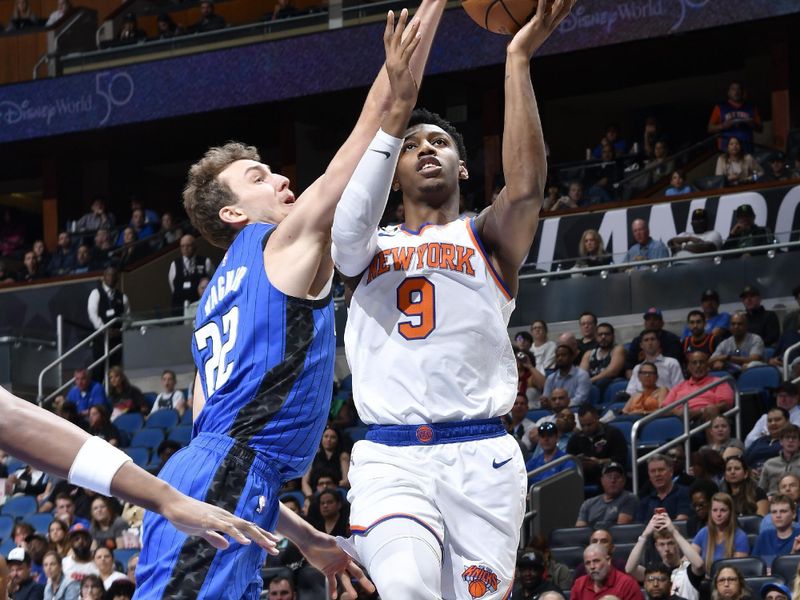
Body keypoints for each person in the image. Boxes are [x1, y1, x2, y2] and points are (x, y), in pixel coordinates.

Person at [134, 5, 445, 599]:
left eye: (273, 171)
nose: (278, 181)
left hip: (205, 479)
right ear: (230, 213)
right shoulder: (282, 244)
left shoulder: (209, 305)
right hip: (224, 481)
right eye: (257, 177)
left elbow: (225, 446)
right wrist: (431, 12)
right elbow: (378, 118)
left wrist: (305, 537)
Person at [329, 3, 573, 598]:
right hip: (391, 459)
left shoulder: (486, 238)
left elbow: (526, 189)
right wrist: (394, 116)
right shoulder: (365, 246)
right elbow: (342, 235)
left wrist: (517, 58)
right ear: (392, 169)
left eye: (440, 142)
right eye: (413, 145)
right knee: (407, 589)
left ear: (464, 168)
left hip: (481, 456)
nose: (427, 149)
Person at [626, 513, 704, 600]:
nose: (666, 549)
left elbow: (699, 564)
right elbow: (630, 569)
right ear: (656, 546)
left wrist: (674, 532)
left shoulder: (688, 570)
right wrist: (644, 535)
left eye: (670, 543)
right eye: (662, 544)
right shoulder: (654, 572)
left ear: (678, 544)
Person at [663, 352, 733, 422]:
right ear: (688, 367)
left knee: (711, 409)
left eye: (701, 362)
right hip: (680, 420)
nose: (698, 366)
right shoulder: (679, 386)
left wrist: (700, 411)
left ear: (707, 366)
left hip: (704, 419)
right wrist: (677, 412)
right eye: (694, 363)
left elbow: (726, 404)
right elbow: (664, 409)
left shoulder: (718, 382)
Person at [568, 405, 627, 486]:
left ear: (597, 418)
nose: (586, 429)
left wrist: (599, 462)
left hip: (607, 474)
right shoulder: (576, 438)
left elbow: (621, 459)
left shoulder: (613, 433)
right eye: (582, 425)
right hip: (582, 477)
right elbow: (568, 460)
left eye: (589, 425)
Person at [86, 267, 129, 379]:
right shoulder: (96, 293)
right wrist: (105, 330)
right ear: (104, 277)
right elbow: (92, 314)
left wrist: (120, 331)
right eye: (108, 275)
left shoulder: (123, 297)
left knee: (115, 370)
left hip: (117, 340)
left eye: (114, 275)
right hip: (101, 339)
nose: (111, 277)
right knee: (99, 369)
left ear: (117, 278)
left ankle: (113, 394)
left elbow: (127, 317)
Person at [691, 492, 749, 572]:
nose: (718, 514)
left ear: (730, 512)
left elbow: (738, 570)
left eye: (723, 510)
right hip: (705, 580)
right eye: (714, 510)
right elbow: (688, 559)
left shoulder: (740, 536)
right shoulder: (703, 532)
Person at [570, 543, 643, 600]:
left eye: (596, 561)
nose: (592, 567)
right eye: (588, 563)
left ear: (608, 560)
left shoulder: (627, 584)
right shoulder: (579, 584)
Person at [575, 463, 637, 528]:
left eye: (617, 477)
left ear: (624, 481)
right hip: (592, 538)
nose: (613, 480)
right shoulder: (588, 503)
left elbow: (620, 530)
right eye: (609, 476)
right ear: (602, 480)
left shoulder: (629, 499)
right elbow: (580, 531)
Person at [708, 82, 762, 154]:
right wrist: (723, 126)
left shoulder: (751, 108)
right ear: (728, 92)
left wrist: (752, 124)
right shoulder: (720, 108)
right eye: (733, 89)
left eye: (739, 89)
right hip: (726, 150)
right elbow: (710, 128)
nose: (736, 91)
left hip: (747, 149)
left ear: (742, 92)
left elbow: (760, 129)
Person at [625, 308, 685, 374]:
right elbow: (629, 367)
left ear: (662, 323)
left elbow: (675, 364)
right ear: (645, 323)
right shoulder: (637, 341)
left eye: (655, 319)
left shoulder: (672, 339)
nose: (651, 322)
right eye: (648, 319)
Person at [626, 330, 684, 396]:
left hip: (667, 402)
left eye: (652, 339)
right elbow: (630, 391)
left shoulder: (671, 363)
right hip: (641, 402)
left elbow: (680, 388)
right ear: (641, 345)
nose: (650, 343)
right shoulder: (637, 368)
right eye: (646, 340)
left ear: (658, 343)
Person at [637, 454, 692, 522]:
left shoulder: (684, 492)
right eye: (653, 471)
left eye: (661, 470)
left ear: (671, 472)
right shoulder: (645, 501)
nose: (657, 474)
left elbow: (681, 521)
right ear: (649, 475)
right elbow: (638, 527)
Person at [167, 234, 214, 312]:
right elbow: (173, 286)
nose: (185, 248)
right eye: (183, 246)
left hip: (200, 305)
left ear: (194, 246)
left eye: (188, 245)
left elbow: (212, 281)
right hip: (179, 306)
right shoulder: (175, 264)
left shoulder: (205, 261)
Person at [300, 426, 351, 497]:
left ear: (338, 440)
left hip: (336, 492)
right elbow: (305, 482)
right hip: (316, 493)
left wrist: (329, 485)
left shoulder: (343, 456)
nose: (329, 439)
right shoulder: (313, 457)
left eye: (333, 437)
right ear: (321, 438)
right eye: (326, 436)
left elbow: (346, 481)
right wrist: (310, 497)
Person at [752, 494, 800, 568]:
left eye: (783, 511)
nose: (778, 515)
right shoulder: (763, 537)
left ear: (793, 514)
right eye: (774, 512)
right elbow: (754, 567)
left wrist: (793, 553)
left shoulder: (799, 535)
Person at [580, 323, 625, 394]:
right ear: (595, 337)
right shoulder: (589, 354)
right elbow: (581, 375)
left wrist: (590, 381)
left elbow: (612, 371)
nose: (603, 337)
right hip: (592, 386)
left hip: (610, 385)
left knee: (601, 382)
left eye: (607, 334)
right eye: (600, 334)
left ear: (613, 336)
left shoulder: (618, 350)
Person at [758, 425, 800, 494]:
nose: (790, 440)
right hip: (773, 501)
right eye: (787, 437)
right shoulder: (769, 464)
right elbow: (761, 491)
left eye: (794, 437)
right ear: (781, 441)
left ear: (799, 442)